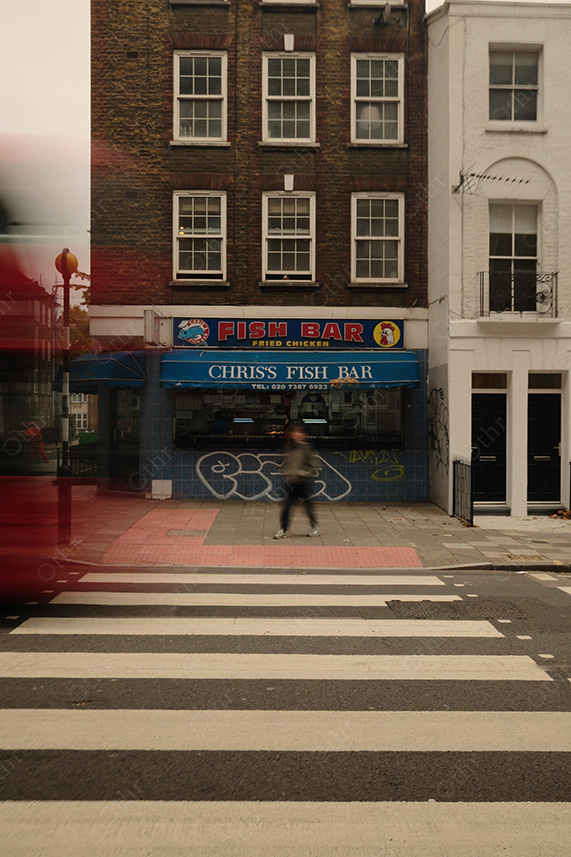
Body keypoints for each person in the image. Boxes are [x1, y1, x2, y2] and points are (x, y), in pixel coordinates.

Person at [274, 423, 319, 538]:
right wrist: (287, 472)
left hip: (303, 482)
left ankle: (314, 526)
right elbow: (287, 462)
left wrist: (302, 473)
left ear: (303, 435)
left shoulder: (306, 448)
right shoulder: (289, 447)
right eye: (294, 432)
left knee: (307, 505)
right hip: (291, 482)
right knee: (286, 506)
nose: (296, 434)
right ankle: (283, 529)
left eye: (299, 432)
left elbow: (312, 464)